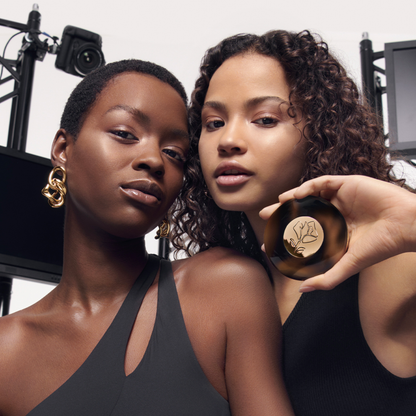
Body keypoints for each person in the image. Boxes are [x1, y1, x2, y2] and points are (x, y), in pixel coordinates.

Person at [0, 59, 294, 416]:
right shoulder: (6, 350)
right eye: (125, 134)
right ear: (64, 149)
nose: (154, 160)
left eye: (174, 153)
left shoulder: (223, 287)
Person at [171, 30, 416, 415]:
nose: (228, 140)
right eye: (214, 122)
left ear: (319, 133)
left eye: (265, 119)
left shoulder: (386, 266)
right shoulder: (227, 284)